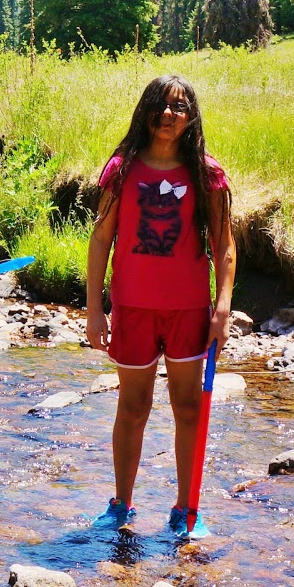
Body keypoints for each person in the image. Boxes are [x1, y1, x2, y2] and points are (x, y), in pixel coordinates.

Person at [85, 75, 234, 538]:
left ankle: (186, 510)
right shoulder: (121, 169)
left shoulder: (207, 174)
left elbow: (225, 245)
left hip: (189, 309)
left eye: (180, 106)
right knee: (133, 407)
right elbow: (101, 239)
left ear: (191, 117)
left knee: (189, 408)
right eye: (162, 105)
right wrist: (95, 308)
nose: (170, 114)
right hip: (132, 308)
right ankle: (121, 505)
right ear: (146, 111)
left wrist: (223, 307)